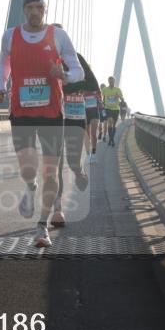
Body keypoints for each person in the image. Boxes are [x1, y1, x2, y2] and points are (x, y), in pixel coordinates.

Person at [0, 0, 84, 248]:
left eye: (40, 7)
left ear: (45, 8)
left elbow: (78, 71)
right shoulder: (10, 36)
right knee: (27, 167)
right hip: (21, 110)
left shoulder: (58, 35)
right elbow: (4, 64)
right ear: (24, 9)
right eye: (30, 8)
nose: (35, 12)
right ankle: (30, 186)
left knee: (51, 171)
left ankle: (42, 226)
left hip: (51, 112)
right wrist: (1, 86)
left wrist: (65, 75)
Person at [51, 26, 97, 228]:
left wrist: (67, 81)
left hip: (75, 116)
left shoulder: (76, 59)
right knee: (56, 164)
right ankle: (58, 208)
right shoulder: (45, 59)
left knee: (72, 161)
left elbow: (92, 84)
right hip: (53, 115)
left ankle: (79, 172)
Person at [101, 76, 125, 146]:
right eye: (110, 81)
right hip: (108, 108)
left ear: (114, 81)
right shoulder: (105, 89)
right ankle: (111, 139)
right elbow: (102, 98)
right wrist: (102, 104)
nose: (111, 82)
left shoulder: (118, 89)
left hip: (116, 109)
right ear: (108, 81)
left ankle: (111, 139)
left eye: (112, 81)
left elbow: (122, 99)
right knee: (110, 122)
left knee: (114, 125)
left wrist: (119, 97)